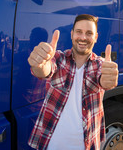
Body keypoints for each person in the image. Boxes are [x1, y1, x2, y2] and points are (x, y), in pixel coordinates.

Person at [27, 14, 118, 150]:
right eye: (79, 32)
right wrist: (39, 65)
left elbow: (103, 81)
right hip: (50, 143)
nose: (83, 37)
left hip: (87, 144)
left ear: (96, 37)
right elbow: (46, 69)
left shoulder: (100, 64)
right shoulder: (59, 57)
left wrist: (108, 81)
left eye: (89, 33)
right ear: (72, 34)